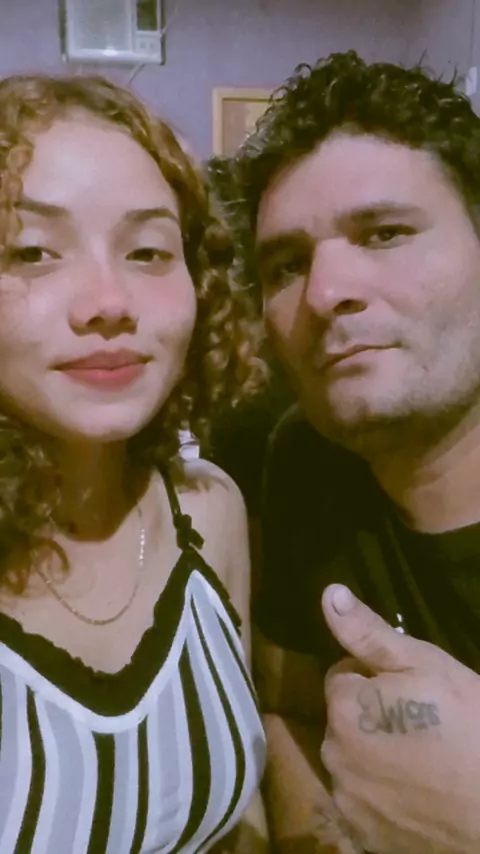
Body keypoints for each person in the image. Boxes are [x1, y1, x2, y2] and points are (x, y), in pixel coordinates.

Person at [0, 73, 268, 853]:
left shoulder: (209, 513)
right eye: (32, 251)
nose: (109, 302)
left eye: (149, 251)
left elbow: (238, 810)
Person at [236, 50, 480, 853]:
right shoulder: (305, 459)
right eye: (286, 265)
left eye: (385, 233)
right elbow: (291, 709)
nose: (324, 291)